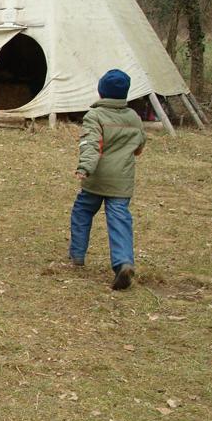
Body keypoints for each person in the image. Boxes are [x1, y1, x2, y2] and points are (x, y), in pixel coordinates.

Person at [69, 69, 147, 290]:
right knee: (119, 220)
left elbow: (90, 144)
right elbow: (140, 146)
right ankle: (123, 262)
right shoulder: (134, 117)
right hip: (121, 182)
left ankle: (77, 255)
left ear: (101, 92)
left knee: (82, 211)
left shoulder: (95, 116)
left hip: (97, 179)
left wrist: (84, 168)